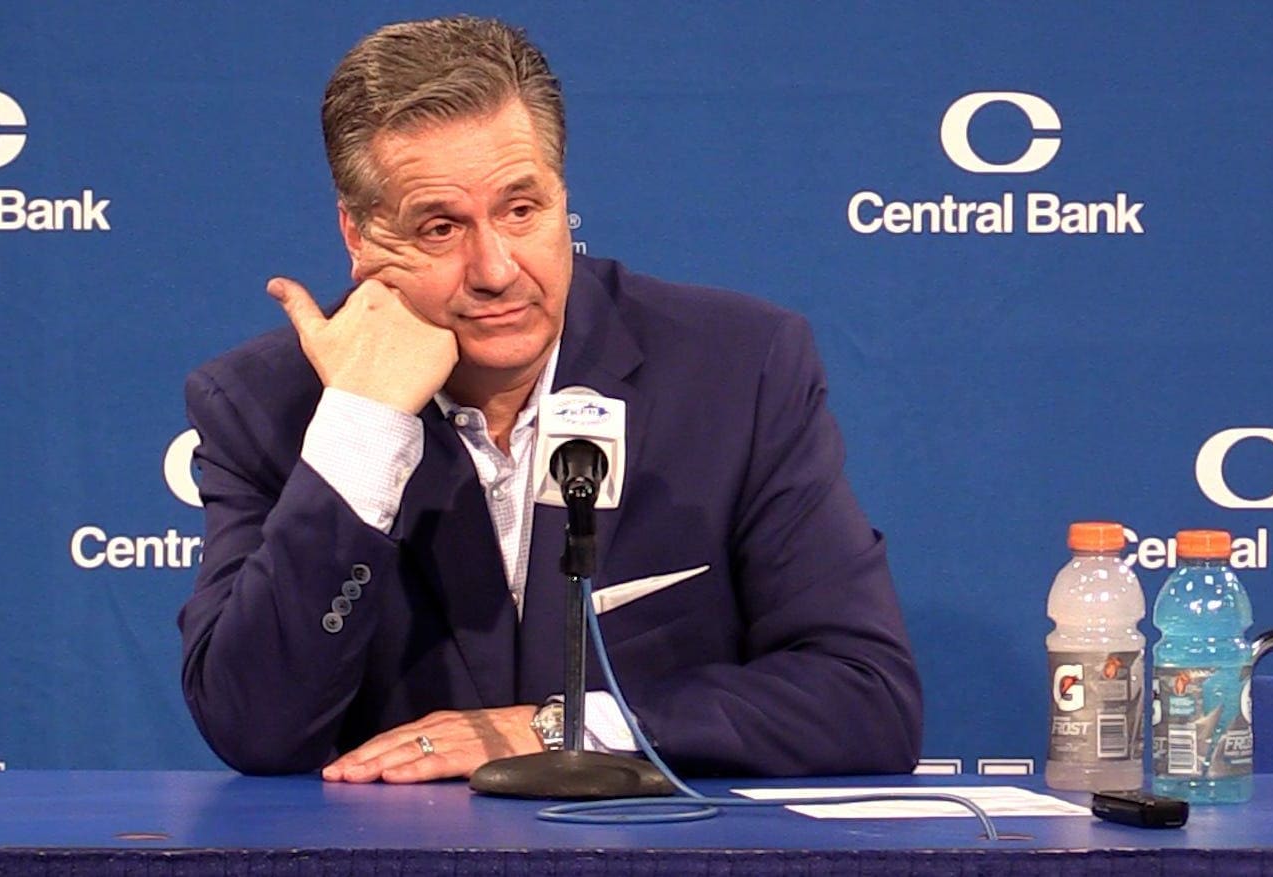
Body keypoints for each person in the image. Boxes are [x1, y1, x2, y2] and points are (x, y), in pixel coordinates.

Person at [179, 15, 922, 783]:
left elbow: (865, 698)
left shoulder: (737, 370)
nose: (496, 267)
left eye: (521, 210)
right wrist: (364, 425)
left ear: (563, 196)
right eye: (440, 227)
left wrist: (566, 726)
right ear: (360, 237)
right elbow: (254, 725)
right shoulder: (267, 405)